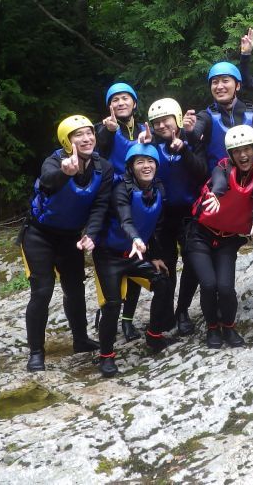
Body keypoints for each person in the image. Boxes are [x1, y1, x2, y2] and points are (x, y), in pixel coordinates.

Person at [22, 115, 112, 372]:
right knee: (42, 291)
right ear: (66, 141)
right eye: (78, 135)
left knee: (74, 289)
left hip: (71, 237)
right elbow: (48, 180)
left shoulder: (102, 167)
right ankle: (36, 351)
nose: (86, 139)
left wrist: (91, 233)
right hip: (39, 235)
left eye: (89, 133)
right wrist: (65, 171)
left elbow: (99, 205)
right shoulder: (53, 162)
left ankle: (80, 339)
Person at [188, 125, 253, 349]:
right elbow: (219, 183)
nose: (243, 155)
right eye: (237, 151)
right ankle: (212, 328)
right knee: (209, 285)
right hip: (200, 235)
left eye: (247, 149)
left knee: (226, 287)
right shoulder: (221, 168)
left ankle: (228, 327)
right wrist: (218, 196)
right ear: (230, 154)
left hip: (227, 239)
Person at [92, 143, 175, 377]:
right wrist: (137, 238)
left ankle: (154, 336)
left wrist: (155, 255)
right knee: (112, 305)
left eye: (150, 162)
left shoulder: (158, 188)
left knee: (163, 282)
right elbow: (125, 218)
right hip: (109, 256)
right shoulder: (121, 189)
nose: (146, 166)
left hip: (135, 254)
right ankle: (106, 356)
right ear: (130, 167)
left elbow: (156, 226)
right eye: (140, 162)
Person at [146, 98, 208, 335]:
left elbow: (202, 172)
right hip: (161, 218)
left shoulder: (193, 141)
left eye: (166, 120)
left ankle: (183, 310)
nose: (161, 126)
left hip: (189, 215)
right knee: (166, 266)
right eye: (156, 123)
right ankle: (167, 311)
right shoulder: (150, 145)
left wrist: (183, 151)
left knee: (192, 262)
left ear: (178, 119)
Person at [95, 82, 148, 340]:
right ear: (110, 107)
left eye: (125, 98)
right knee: (111, 256)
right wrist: (107, 132)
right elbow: (96, 154)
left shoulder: (143, 130)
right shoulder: (102, 129)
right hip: (109, 202)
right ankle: (107, 309)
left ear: (134, 103)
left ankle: (128, 320)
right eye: (114, 100)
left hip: (136, 198)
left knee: (134, 255)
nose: (120, 103)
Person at [184, 61, 253, 172]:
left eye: (225, 81)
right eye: (215, 82)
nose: (219, 86)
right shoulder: (206, 116)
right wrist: (189, 131)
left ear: (238, 85)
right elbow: (194, 136)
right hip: (220, 183)